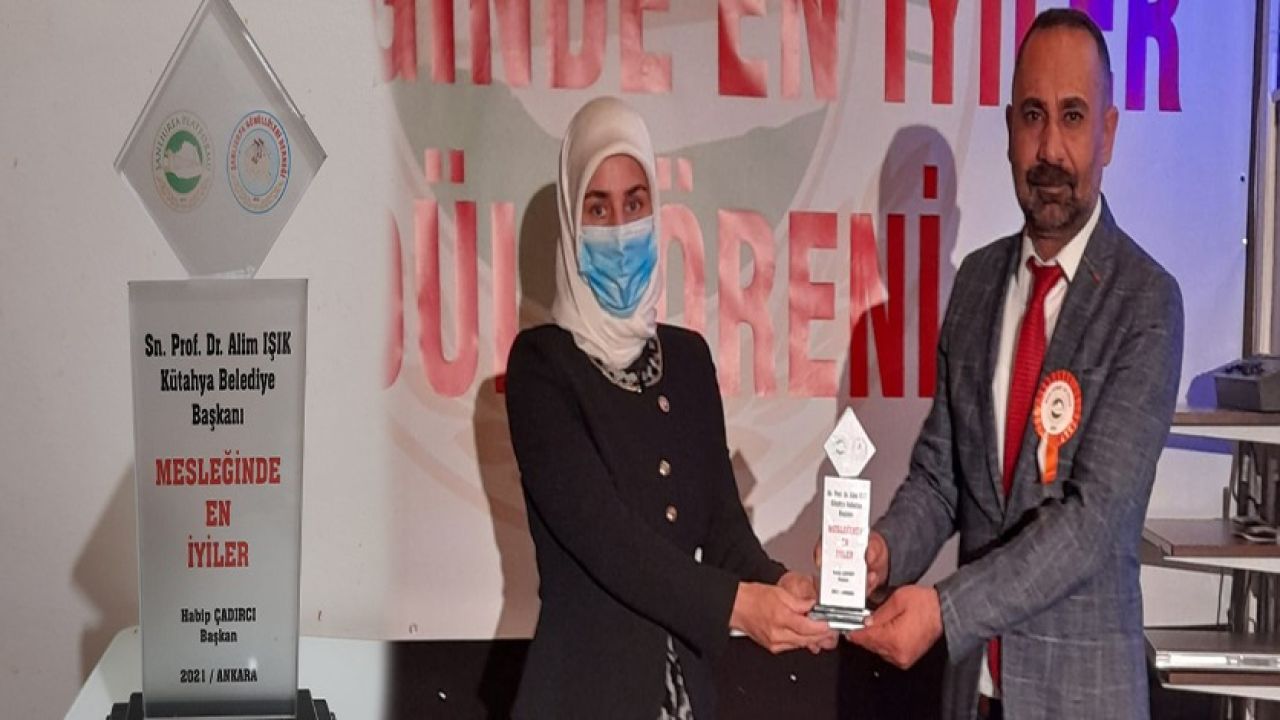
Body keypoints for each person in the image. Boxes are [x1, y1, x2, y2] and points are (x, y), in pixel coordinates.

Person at [841, 9, 1184, 720]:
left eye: (1072, 116)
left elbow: (1092, 523)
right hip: (973, 694)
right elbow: (942, 477)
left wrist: (944, 609)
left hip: (1082, 701)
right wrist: (882, 552)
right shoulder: (976, 285)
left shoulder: (1146, 302)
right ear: (1006, 129)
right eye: (1033, 116)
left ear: (1108, 133)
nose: (1050, 147)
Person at [505, 96, 834, 720]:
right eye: (597, 208)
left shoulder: (686, 359)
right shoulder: (540, 367)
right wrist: (741, 606)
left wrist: (777, 584)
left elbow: (722, 527)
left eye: (634, 204)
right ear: (571, 221)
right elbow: (610, 541)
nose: (619, 228)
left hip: (687, 701)